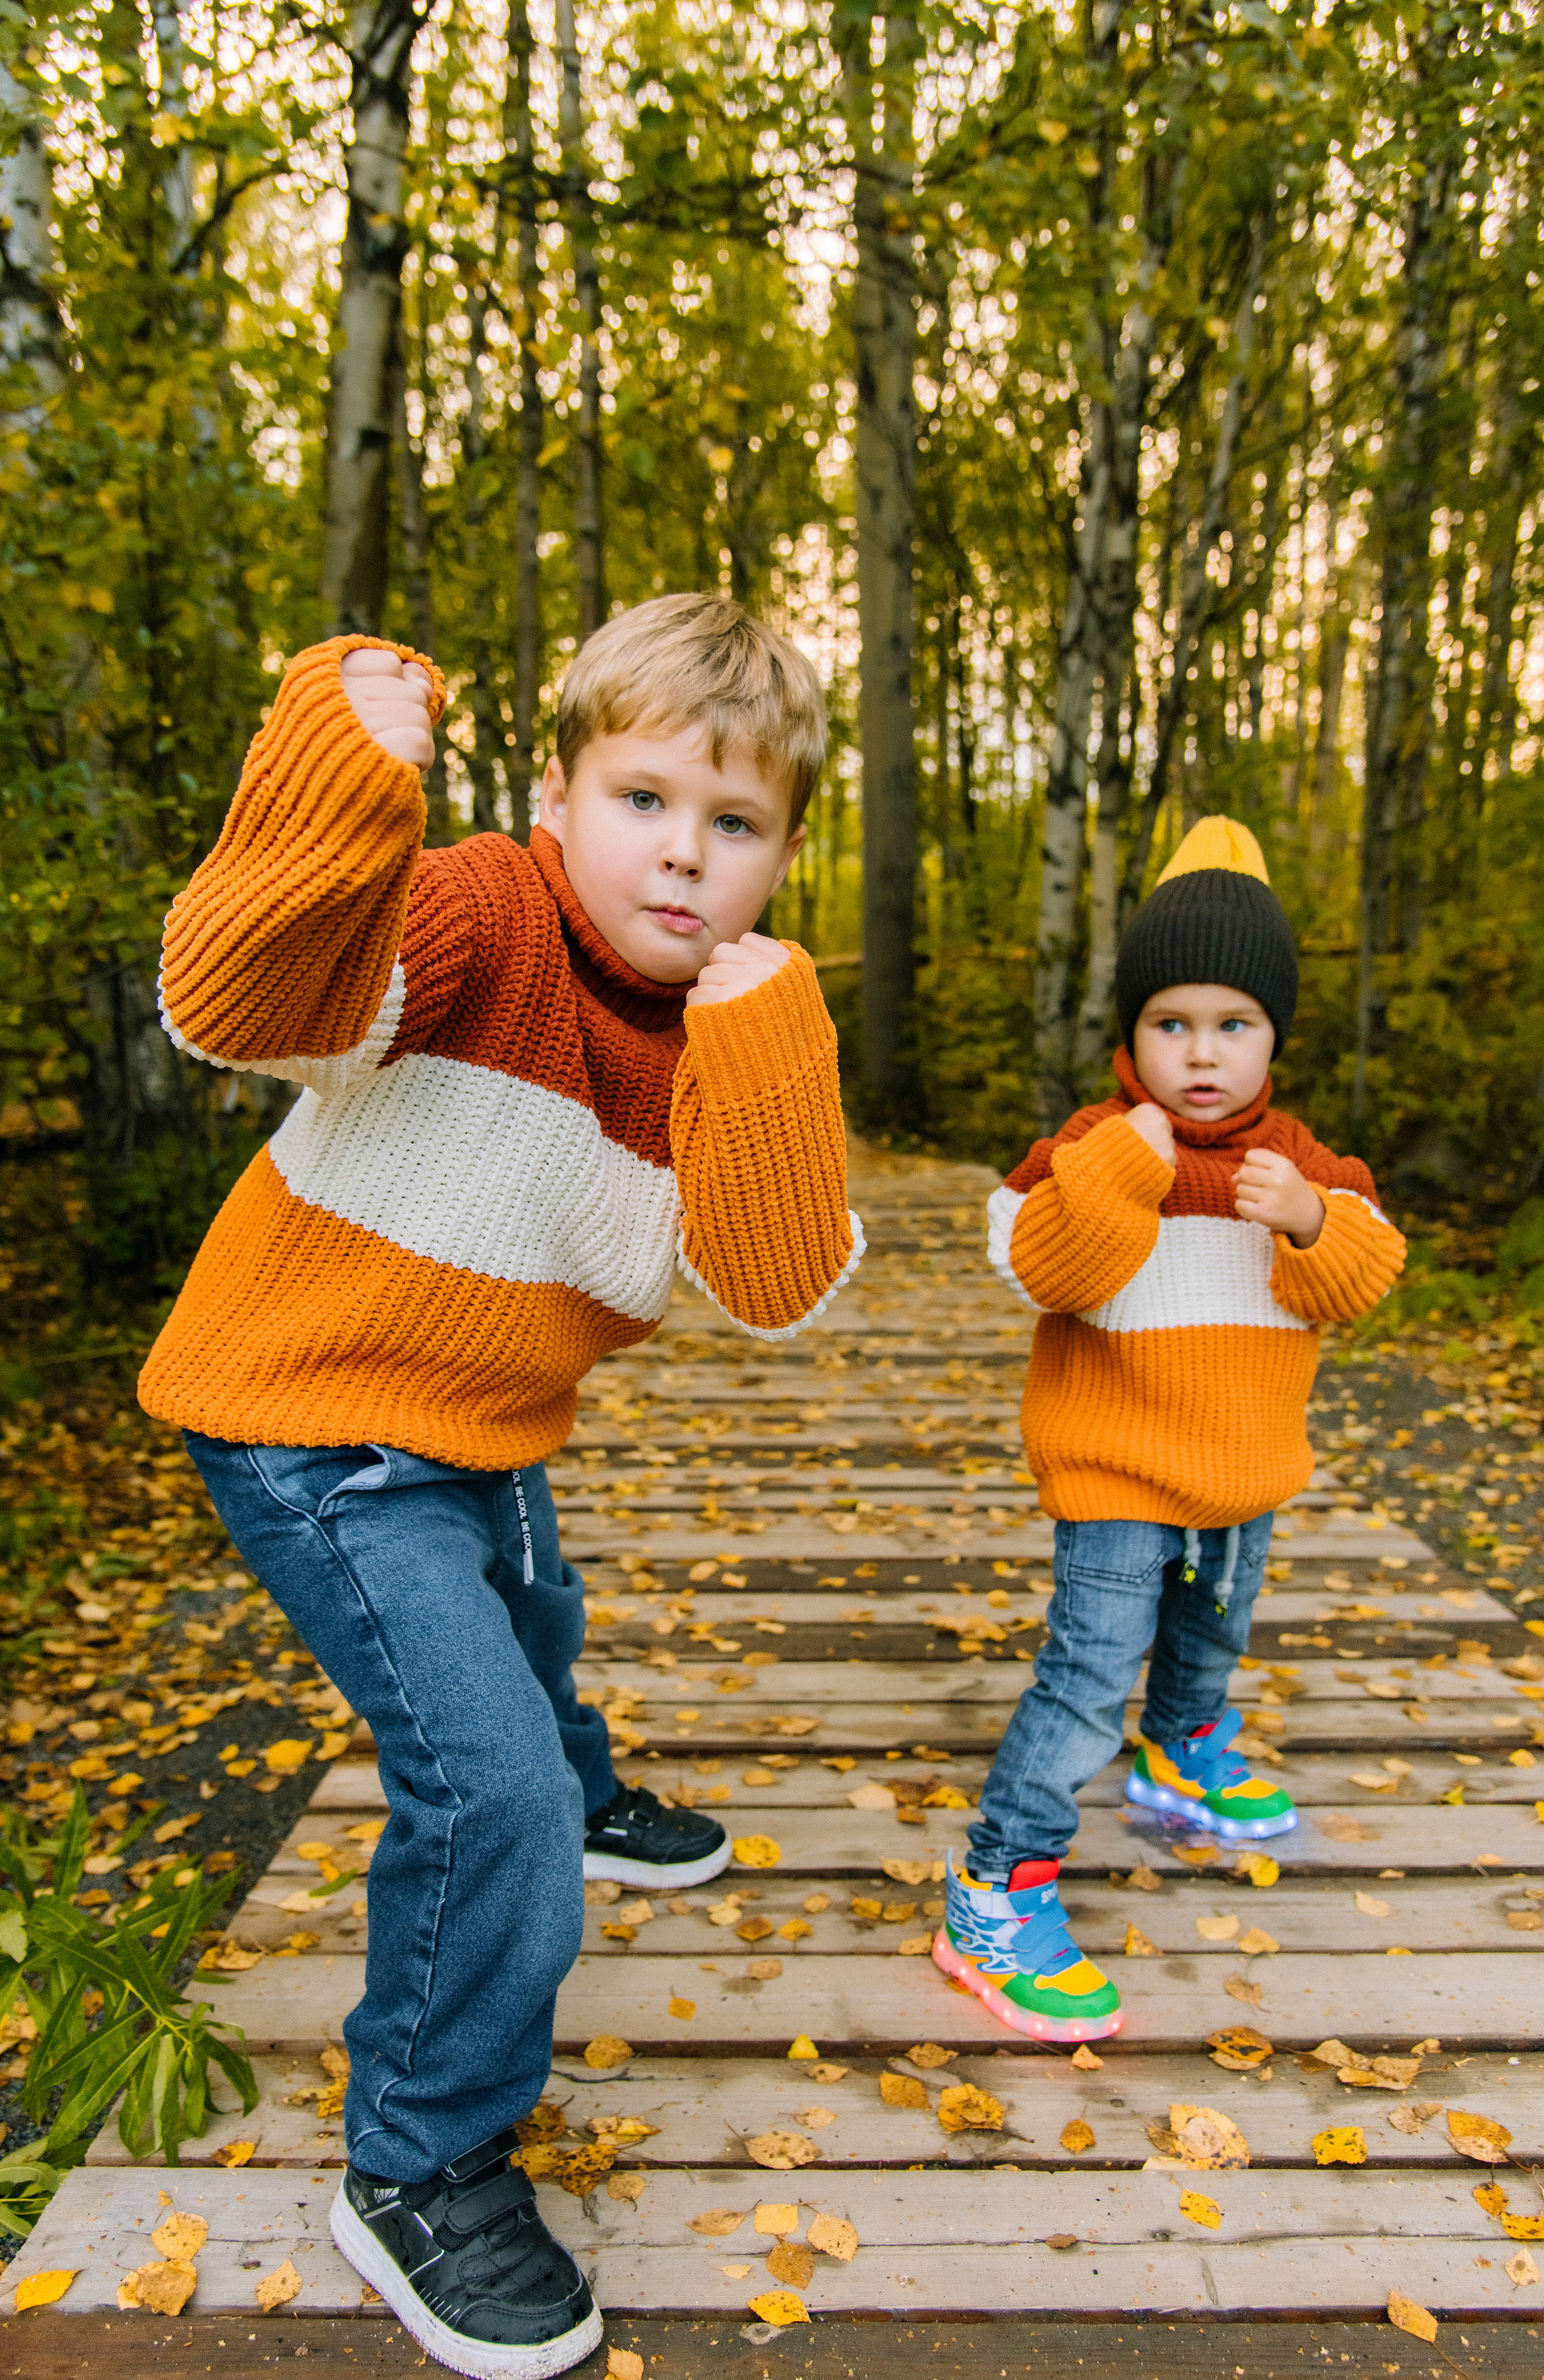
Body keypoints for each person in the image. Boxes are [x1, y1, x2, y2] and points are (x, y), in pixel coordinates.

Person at [138, 594, 862, 2378]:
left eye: (738, 823)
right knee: (493, 1798)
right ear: (557, 792)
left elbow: (779, 1282)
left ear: (781, 852)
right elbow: (234, 1002)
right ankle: (419, 2155)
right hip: (320, 1426)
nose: (685, 856)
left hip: (486, 1420)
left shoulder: (726, 1016)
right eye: (643, 800)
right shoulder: (478, 903)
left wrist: (765, 1033)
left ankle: (584, 1781)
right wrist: (335, 769)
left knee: (543, 1612)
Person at [936, 817, 1405, 2043]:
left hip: (1242, 1457)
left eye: (1232, 1025)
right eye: (1171, 1024)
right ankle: (996, 1885)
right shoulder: (1093, 1146)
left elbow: (1359, 1276)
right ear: (1129, 1034)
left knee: (1213, 1623)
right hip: (1113, 1462)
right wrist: (1119, 1179)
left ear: (1272, 1040)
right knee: (1087, 1669)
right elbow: (1038, 1267)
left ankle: (1181, 1747)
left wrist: (1307, 1220)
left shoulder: (1297, 1159)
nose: (1201, 1054)